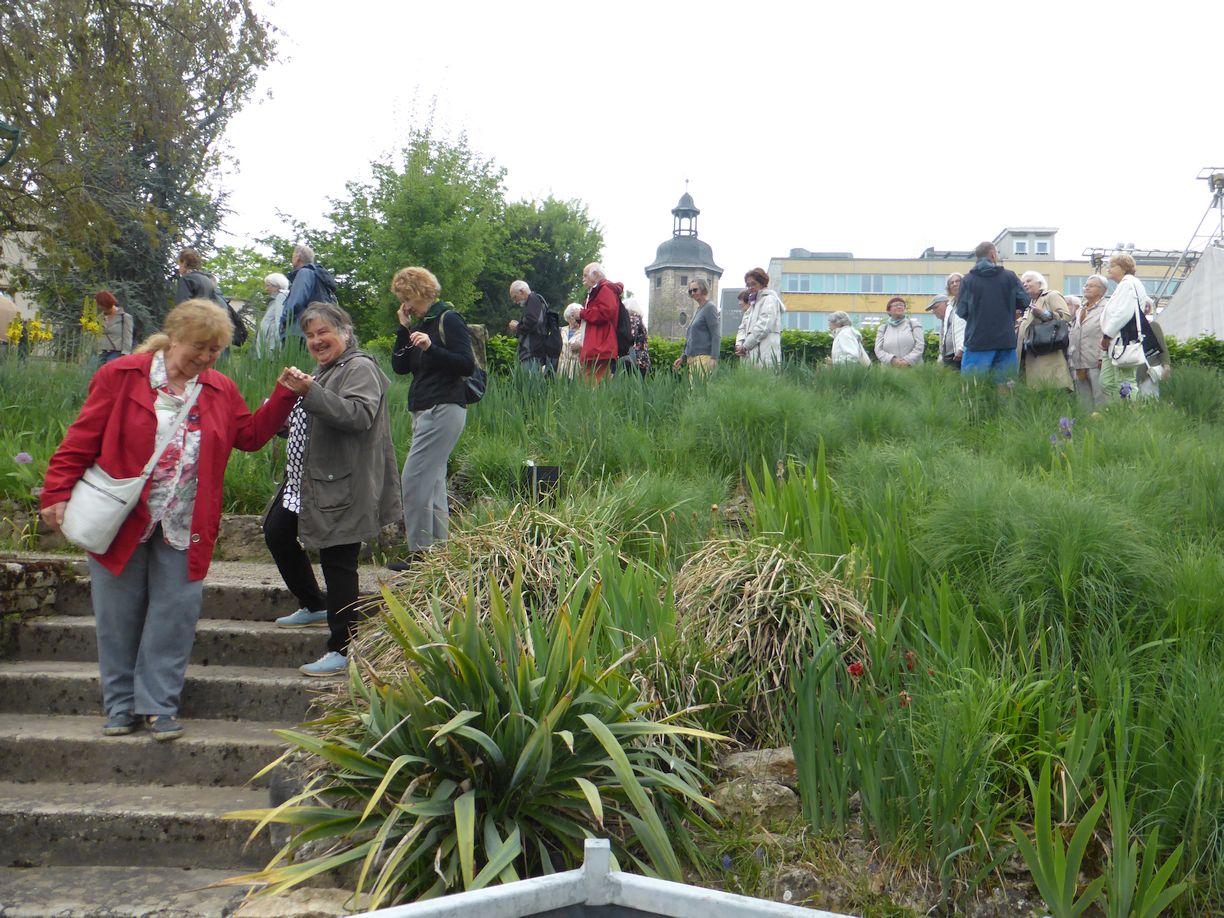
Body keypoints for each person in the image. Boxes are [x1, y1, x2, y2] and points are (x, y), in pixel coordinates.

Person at [38, 300, 296, 740]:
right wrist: (56, 491)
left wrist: (284, 394)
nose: (206, 357)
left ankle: (158, 706)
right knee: (117, 616)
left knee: (175, 613)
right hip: (120, 517)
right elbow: (81, 439)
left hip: (184, 521)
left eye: (215, 350)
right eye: (199, 346)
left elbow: (249, 437)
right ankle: (120, 707)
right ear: (173, 337)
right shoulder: (121, 377)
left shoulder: (219, 388)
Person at [264, 303, 401, 677]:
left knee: (339, 561)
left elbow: (357, 416)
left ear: (345, 331)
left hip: (342, 485)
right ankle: (313, 603)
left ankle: (342, 647)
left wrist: (308, 391)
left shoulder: (359, 367)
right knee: (276, 532)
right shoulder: (328, 370)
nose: (316, 341)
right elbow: (316, 416)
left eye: (323, 332)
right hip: (307, 484)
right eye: (309, 335)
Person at [388, 267, 475, 570]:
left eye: (404, 297)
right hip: (424, 409)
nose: (403, 303)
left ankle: (420, 553)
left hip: (444, 408)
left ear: (414, 293)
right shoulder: (420, 324)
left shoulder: (447, 319)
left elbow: (466, 364)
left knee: (413, 479)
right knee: (433, 483)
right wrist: (403, 328)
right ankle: (439, 555)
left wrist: (431, 347)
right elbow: (400, 367)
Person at [956, 241, 1027, 383]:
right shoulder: (1010, 277)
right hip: (1005, 342)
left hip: (977, 342)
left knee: (974, 390)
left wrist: (977, 318)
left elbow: (961, 311)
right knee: (1006, 389)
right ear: (993, 255)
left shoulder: (968, 281)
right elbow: (1025, 301)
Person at [1099, 253, 1149, 401]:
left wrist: (1107, 335)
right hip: (1115, 341)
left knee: (1125, 381)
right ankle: (1118, 411)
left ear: (1123, 268)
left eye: (1112, 266)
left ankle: (1129, 414)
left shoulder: (1128, 284)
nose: (1108, 268)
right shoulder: (1126, 285)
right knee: (1107, 382)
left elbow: (1123, 313)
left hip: (1123, 340)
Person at [1016, 271, 1072, 390]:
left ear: (1040, 283)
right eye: (1023, 282)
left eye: (1029, 280)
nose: (1025, 284)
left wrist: (1043, 314)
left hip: (1048, 352)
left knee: (1051, 390)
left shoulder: (1051, 295)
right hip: (1031, 354)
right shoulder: (1029, 303)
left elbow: (1066, 317)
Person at [279, 244, 338, 345]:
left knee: (293, 360)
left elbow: (296, 301)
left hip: (297, 331)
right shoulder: (319, 278)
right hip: (314, 330)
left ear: (297, 257)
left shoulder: (304, 273)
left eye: (293, 255)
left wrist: (283, 320)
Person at [577, 262, 622, 382]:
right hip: (597, 345)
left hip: (600, 345)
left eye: (585, 276)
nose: (583, 279)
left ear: (595, 275)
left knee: (594, 383)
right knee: (592, 381)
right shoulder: (599, 290)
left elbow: (605, 312)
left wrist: (582, 313)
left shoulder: (605, 289)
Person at [1068, 275, 1108, 406]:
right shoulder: (1080, 309)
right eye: (1086, 285)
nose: (1086, 288)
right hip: (1078, 363)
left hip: (1097, 362)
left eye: (1091, 286)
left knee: (1100, 401)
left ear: (1102, 290)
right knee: (1083, 404)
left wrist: (1103, 357)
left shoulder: (1107, 308)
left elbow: (1109, 334)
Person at [735, 268, 784, 367]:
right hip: (752, 356)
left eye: (753, 284)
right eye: (748, 285)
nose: (750, 287)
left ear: (762, 283)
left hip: (765, 355)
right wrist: (739, 344)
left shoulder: (769, 300)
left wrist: (745, 346)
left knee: (765, 381)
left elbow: (763, 327)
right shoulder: (754, 303)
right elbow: (743, 327)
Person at [673, 278, 720, 375]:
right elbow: (691, 337)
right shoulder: (698, 310)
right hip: (692, 359)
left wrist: (714, 358)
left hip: (703, 358)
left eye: (695, 290)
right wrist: (683, 357)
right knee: (693, 390)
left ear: (703, 289)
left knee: (698, 389)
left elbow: (715, 334)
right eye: (690, 291)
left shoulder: (709, 307)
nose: (692, 293)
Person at [507, 280, 555, 374]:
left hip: (532, 351)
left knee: (529, 384)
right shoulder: (535, 301)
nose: (515, 302)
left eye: (515, 297)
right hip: (534, 350)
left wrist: (517, 327)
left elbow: (533, 321)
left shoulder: (533, 299)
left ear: (522, 291)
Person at [874, 296, 924, 367]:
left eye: (901, 305)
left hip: (913, 370)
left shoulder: (914, 325)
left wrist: (907, 360)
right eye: (896, 305)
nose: (899, 307)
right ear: (889, 310)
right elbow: (878, 350)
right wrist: (892, 360)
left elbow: (920, 346)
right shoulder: (883, 328)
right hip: (890, 371)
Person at [255, 273, 290, 357]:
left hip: (271, 346)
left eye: (269, 285)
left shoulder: (281, 297)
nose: (266, 289)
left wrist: (278, 346)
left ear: (278, 285)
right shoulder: (274, 300)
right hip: (268, 345)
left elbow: (279, 321)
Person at [1137, 310, 1171, 399]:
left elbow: (1162, 347)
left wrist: (1166, 365)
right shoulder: (1127, 327)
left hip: (1150, 370)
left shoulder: (1154, 326)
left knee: (1149, 400)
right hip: (1133, 369)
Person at [95, 291, 134, 365]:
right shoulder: (99, 318)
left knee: (109, 371)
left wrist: (125, 354)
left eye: (102, 305)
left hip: (116, 352)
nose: (100, 307)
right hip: (102, 353)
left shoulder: (125, 317)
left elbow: (128, 337)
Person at [927, 294, 964, 369]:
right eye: (932, 309)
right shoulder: (944, 321)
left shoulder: (956, 315)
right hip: (949, 358)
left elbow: (965, 332)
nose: (934, 311)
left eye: (936, 307)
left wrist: (962, 349)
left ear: (947, 303)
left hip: (958, 356)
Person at [624, 298, 650, 377]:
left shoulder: (632, 319)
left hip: (634, 359)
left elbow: (630, 337)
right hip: (644, 360)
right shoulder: (641, 321)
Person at [558, 303, 585, 379]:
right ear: (568, 317)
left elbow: (592, 348)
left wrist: (582, 346)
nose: (577, 318)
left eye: (579, 316)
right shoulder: (561, 330)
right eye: (573, 316)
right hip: (561, 370)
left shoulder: (585, 332)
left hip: (577, 370)